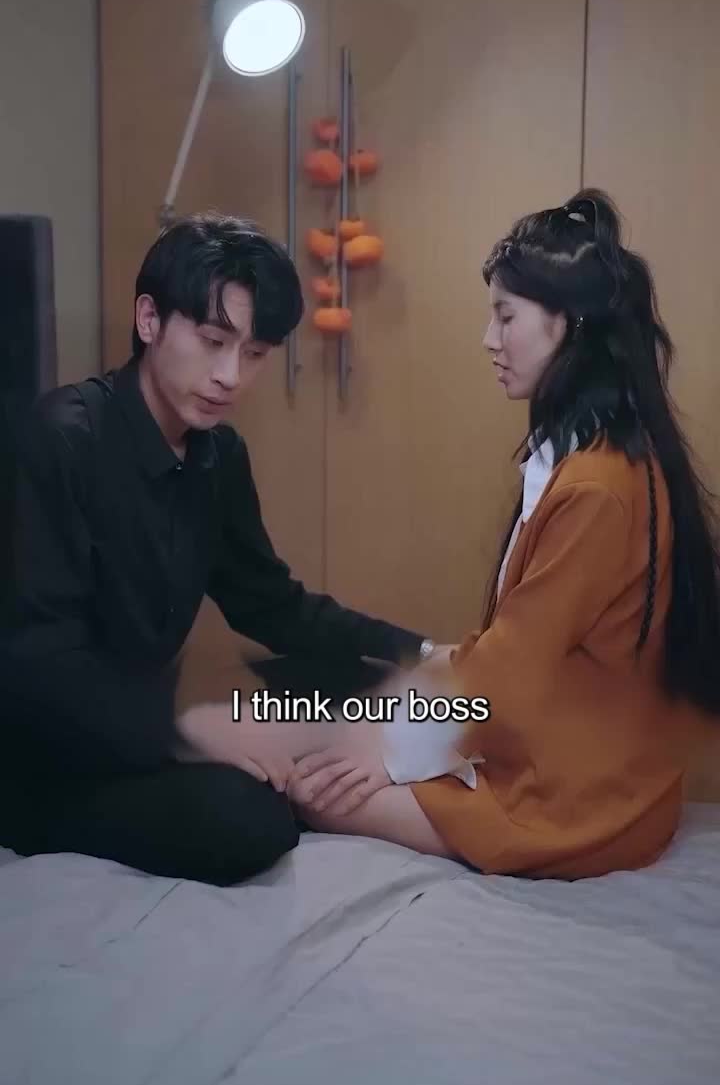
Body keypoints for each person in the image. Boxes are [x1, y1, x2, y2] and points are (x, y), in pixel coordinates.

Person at [278, 189, 720, 879]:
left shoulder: (597, 485)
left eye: (505, 316)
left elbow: (510, 667)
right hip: (596, 767)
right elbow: (513, 650)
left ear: (568, 325)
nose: (490, 339)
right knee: (348, 734)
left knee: (314, 787)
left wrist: (390, 752)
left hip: (581, 803)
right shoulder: (602, 456)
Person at [0, 213, 445, 885]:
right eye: (213, 342)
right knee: (249, 818)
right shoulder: (60, 439)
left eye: (255, 354)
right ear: (149, 320)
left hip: (146, 729)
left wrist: (420, 653)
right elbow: (41, 666)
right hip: (53, 749)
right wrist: (190, 733)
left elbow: (274, 605)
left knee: (359, 695)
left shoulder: (218, 456)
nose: (231, 376)